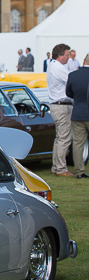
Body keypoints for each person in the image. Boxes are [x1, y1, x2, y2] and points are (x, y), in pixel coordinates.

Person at [46, 43, 73, 176]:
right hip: (62, 105)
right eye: (67, 55)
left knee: (59, 138)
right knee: (64, 138)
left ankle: (56, 166)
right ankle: (61, 168)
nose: (69, 57)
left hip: (56, 105)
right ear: (60, 55)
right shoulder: (59, 67)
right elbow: (71, 81)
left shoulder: (52, 65)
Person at [65, 52, 89, 179]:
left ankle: (79, 171)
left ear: (84, 61)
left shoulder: (73, 75)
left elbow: (68, 93)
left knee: (78, 144)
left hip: (78, 112)